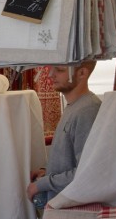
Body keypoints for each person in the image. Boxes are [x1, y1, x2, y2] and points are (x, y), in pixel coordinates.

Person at [28, 60, 101, 205]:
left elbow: (86, 172)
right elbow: (69, 157)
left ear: (82, 73)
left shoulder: (87, 111)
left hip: (72, 204)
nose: (50, 75)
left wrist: (41, 184)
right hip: (63, 200)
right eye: (51, 68)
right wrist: (47, 171)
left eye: (60, 70)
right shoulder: (76, 106)